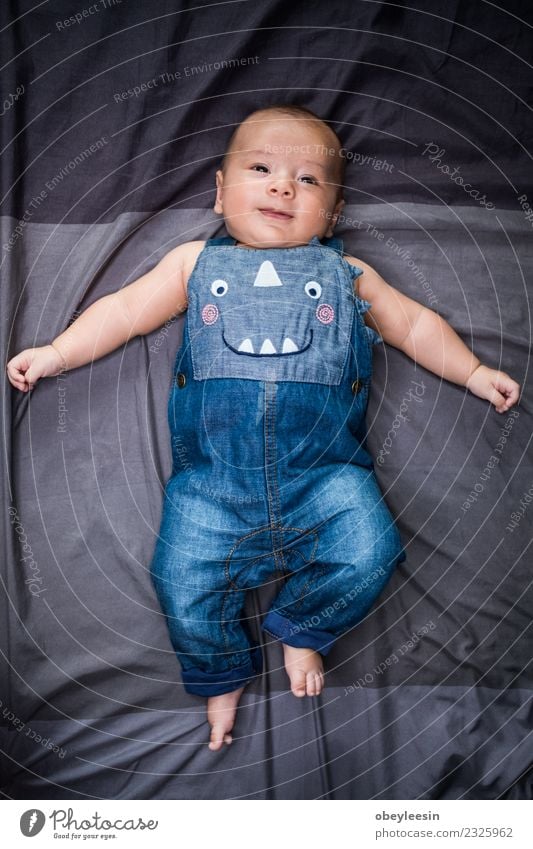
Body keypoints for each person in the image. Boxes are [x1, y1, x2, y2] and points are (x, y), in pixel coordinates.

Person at [7, 104, 520, 753]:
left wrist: (473, 371)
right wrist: (56, 352)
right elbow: (124, 311)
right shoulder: (192, 263)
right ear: (221, 191)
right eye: (261, 169)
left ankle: (305, 626)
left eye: (307, 180)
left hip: (326, 478)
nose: (282, 186)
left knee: (371, 551)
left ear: (331, 216)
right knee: (180, 579)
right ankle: (219, 671)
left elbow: (414, 325)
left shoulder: (348, 273)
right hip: (212, 489)